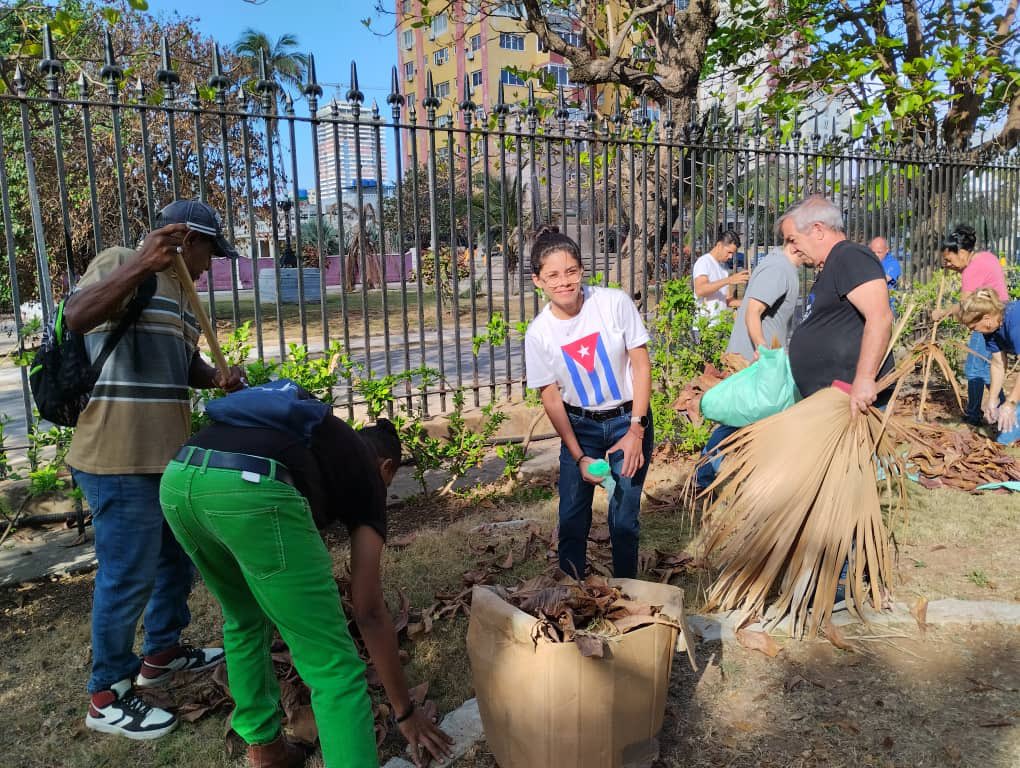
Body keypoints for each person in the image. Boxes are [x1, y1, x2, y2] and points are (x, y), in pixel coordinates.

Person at [159, 381, 454, 767]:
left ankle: (267, 752)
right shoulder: (367, 479)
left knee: (245, 618)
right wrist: (404, 711)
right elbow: (368, 612)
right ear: (386, 467)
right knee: (333, 667)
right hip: (250, 487)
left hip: (180, 480)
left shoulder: (315, 438)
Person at [63, 199, 245, 740]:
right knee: (127, 576)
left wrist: (215, 377)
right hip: (117, 459)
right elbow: (77, 316)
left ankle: (162, 652)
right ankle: (107, 694)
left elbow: (182, 362)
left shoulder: (186, 297)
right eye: (210, 252)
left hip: (168, 458)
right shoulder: (121, 261)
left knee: (177, 563)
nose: (212, 266)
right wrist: (142, 263)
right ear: (186, 239)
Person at [524, 226, 653, 579]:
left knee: (623, 518)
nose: (564, 282)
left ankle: (627, 591)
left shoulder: (613, 303)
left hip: (629, 419)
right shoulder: (538, 334)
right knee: (571, 518)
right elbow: (551, 398)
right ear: (538, 281)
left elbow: (640, 363)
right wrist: (578, 455)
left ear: (582, 270)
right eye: (552, 275)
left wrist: (636, 430)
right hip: (580, 427)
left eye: (570, 271)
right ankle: (571, 593)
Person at [696, 242, 806, 491]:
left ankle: (711, 478)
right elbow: (753, 311)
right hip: (755, 360)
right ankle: (702, 479)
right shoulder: (779, 268)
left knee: (743, 422)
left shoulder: (781, 267)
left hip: (761, 359)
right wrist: (762, 348)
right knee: (736, 422)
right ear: (797, 243)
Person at [781, 196, 894, 413]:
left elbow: (880, 317)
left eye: (793, 239)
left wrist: (864, 378)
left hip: (852, 401)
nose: (792, 249)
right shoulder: (832, 265)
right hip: (831, 402)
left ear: (817, 230)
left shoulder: (850, 256)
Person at [932, 224, 1008, 425]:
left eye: (949, 259)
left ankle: (986, 412)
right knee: (987, 366)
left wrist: (943, 312)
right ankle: (996, 409)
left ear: (963, 252)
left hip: (985, 321)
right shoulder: (986, 257)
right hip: (998, 317)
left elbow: (966, 307)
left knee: (976, 369)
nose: (949, 264)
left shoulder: (971, 271)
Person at [959, 290, 1020, 444]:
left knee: (1005, 436)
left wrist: (1011, 403)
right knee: (1005, 435)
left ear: (986, 318)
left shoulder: (1014, 323)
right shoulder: (991, 329)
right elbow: (998, 364)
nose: (972, 331)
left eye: (973, 327)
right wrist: (992, 400)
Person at [691, 230, 750, 320]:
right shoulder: (704, 262)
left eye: (732, 254)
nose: (730, 257)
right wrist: (728, 280)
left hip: (720, 325)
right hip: (704, 326)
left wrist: (750, 303)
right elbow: (700, 290)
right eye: (729, 252)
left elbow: (727, 300)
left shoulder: (723, 267)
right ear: (719, 245)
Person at [869, 236, 901, 311]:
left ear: (887, 250)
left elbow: (881, 280)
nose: (876, 255)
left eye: (879, 252)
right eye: (873, 252)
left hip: (887, 307)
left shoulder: (893, 263)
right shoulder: (870, 260)